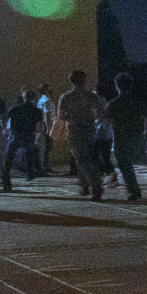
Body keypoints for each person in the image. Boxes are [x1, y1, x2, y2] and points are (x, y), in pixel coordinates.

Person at [55, 70, 106, 201]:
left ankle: (96, 185)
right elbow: (100, 113)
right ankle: (84, 185)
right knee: (85, 158)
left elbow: (61, 116)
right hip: (90, 130)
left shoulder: (66, 97)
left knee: (81, 159)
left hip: (75, 130)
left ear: (71, 81)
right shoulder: (91, 96)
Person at [105, 72, 147, 203]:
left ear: (117, 86)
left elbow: (105, 121)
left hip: (121, 137)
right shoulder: (137, 101)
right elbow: (146, 119)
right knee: (128, 164)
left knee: (125, 165)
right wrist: (145, 134)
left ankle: (133, 191)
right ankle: (134, 190)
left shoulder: (113, 103)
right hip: (136, 136)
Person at [3, 89, 44, 187]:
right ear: (33, 98)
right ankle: (30, 174)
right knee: (29, 155)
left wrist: (5, 130)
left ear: (23, 97)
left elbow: (5, 117)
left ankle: (5, 176)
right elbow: (40, 124)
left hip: (16, 134)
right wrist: (39, 134)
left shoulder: (15, 108)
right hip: (29, 134)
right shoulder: (37, 110)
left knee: (9, 156)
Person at [35, 82, 56, 175]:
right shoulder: (47, 100)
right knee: (48, 146)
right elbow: (47, 115)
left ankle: (43, 165)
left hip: (42, 125)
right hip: (47, 125)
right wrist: (49, 128)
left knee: (44, 146)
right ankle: (45, 166)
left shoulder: (41, 100)